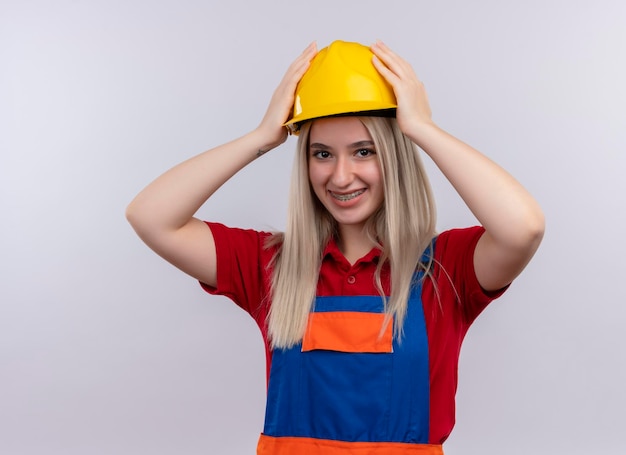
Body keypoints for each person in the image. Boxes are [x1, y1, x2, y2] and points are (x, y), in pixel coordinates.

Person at [126, 40, 544, 455]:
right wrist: (261, 137)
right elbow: (151, 216)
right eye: (322, 153)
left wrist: (422, 129)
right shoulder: (272, 266)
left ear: (394, 158)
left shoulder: (445, 270)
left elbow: (522, 227)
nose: (341, 177)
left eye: (364, 152)